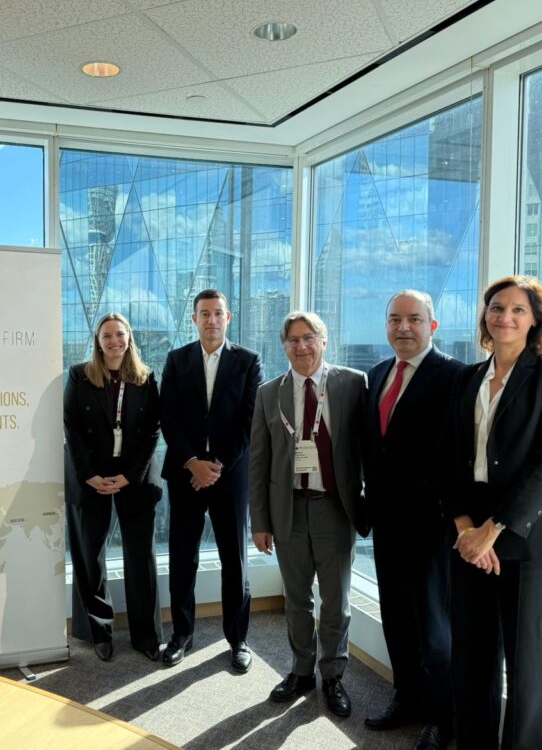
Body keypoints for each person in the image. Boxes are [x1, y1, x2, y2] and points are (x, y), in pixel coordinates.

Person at [445, 276, 542, 750]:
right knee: (472, 661)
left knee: (527, 672)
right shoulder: (466, 378)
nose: (505, 316)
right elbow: (450, 459)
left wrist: (493, 530)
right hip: (470, 537)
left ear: (535, 320)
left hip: (530, 536)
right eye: (496, 307)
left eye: (518, 309)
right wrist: (467, 529)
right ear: (485, 316)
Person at [250, 311, 368, 718]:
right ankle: (301, 671)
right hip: (288, 510)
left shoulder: (353, 384)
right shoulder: (269, 393)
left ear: (324, 340)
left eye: (309, 337)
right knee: (297, 598)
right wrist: (260, 522)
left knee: (336, 600)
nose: (301, 346)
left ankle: (333, 675)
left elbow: (369, 449)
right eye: (293, 340)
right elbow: (258, 463)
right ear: (284, 346)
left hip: (335, 508)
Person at [363, 291, 463, 750]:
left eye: (414, 319)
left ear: (432, 326)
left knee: (434, 626)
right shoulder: (377, 374)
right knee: (396, 617)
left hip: (432, 527)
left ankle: (441, 719)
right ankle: (406, 697)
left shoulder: (455, 376)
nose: (403, 327)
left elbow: (458, 455)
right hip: (386, 522)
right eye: (395, 319)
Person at [160, 289, 262, 671]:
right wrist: (193, 463)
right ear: (194, 319)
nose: (211, 320)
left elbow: (249, 421)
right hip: (185, 474)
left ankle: (237, 639)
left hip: (229, 475)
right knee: (181, 557)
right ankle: (181, 635)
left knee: (234, 560)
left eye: (218, 313)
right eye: (204, 313)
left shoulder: (248, 361)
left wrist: (214, 466)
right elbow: (167, 417)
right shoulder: (176, 359)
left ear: (228, 317)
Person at [64, 313, 163, 663]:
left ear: (129, 338)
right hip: (92, 477)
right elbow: (72, 428)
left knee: (140, 556)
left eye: (120, 334)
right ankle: (99, 633)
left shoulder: (146, 377)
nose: (114, 341)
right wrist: (89, 475)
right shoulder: (79, 375)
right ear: (98, 340)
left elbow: (152, 431)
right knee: (91, 557)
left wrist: (130, 476)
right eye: (106, 335)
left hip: (134, 476)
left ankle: (146, 636)